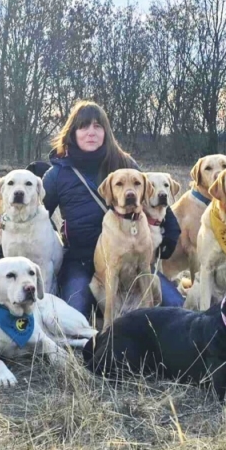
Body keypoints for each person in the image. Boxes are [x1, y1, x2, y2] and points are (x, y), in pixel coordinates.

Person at [42, 101, 185, 318]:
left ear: (106, 132)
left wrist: (171, 230)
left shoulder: (124, 163)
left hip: (132, 264)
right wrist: (51, 243)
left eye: (97, 126)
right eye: (84, 126)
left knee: (176, 306)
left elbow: (151, 196)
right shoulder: (57, 174)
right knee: (74, 313)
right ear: (72, 132)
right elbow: (39, 214)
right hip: (81, 261)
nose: (91, 132)